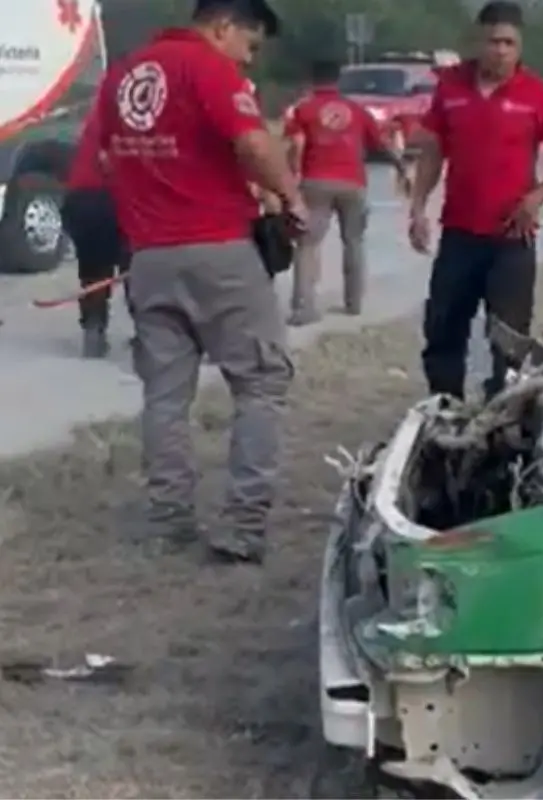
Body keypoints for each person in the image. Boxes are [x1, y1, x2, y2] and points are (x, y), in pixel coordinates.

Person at [95, 0, 307, 564]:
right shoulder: (209, 69)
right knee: (261, 382)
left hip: (149, 257)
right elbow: (255, 144)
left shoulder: (123, 74)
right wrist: (290, 196)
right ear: (223, 27)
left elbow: (106, 160)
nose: (250, 58)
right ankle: (243, 524)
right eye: (250, 45)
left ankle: (169, 519)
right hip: (217, 250)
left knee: (165, 395)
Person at [408, 0, 543, 400]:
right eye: (493, 41)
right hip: (459, 235)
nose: (500, 50)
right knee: (442, 330)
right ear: (478, 41)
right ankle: (445, 409)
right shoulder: (450, 86)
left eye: (509, 43)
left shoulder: (538, 95)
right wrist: (418, 207)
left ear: (519, 46)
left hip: (510, 240)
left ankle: (500, 415)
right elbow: (434, 151)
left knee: (509, 339)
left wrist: (536, 198)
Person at [283, 57, 408, 325]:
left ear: (311, 80)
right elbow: (382, 144)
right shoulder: (357, 110)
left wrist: (292, 178)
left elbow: (296, 145)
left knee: (307, 244)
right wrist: (401, 167)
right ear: (338, 80)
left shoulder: (303, 110)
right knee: (354, 242)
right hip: (353, 182)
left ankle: (304, 307)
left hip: (315, 181)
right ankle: (353, 303)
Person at [61, 100, 130, 359]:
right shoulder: (136, 116)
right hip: (117, 198)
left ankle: (93, 328)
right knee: (134, 267)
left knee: (93, 270)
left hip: (81, 197)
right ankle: (148, 334)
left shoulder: (99, 114)